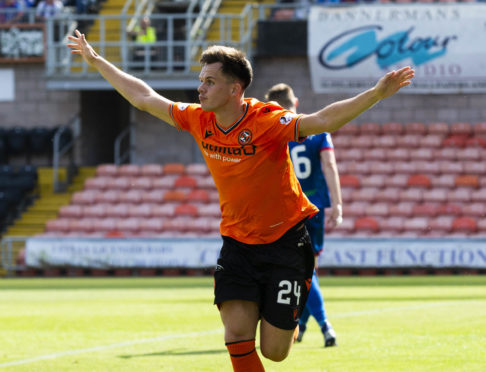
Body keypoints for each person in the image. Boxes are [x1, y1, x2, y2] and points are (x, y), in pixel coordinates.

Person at [67, 29, 414, 371]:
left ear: (234, 89)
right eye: (201, 80)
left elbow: (321, 120)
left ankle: (283, 315)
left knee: (275, 352)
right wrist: (96, 60)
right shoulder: (198, 120)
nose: (200, 88)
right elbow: (144, 98)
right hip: (237, 244)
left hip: (286, 243)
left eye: (209, 82)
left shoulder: (267, 120)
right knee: (236, 337)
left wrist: (376, 94)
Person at [265, 83, 342, 348]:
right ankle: (308, 324)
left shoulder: (270, 131)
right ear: (294, 103)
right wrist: (338, 204)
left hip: (287, 209)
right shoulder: (316, 129)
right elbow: (329, 166)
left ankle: (324, 325)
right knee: (308, 269)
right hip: (316, 206)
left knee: (304, 271)